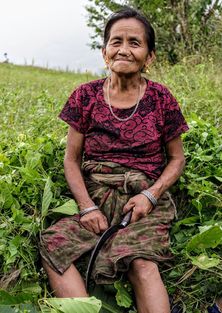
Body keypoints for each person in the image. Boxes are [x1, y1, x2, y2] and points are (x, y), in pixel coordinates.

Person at [40, 7, 189, 313]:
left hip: (143, 198)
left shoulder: (161, 98)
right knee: (53, 244)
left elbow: (176, 159)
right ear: (104, 52)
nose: (124, 49)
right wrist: (87, 207)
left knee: (140, 260)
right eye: (116, 41)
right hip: (97, 192)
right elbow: (72, 160)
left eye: (135, 42)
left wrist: (151, 194)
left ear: (149, 57)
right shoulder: (85, 96)